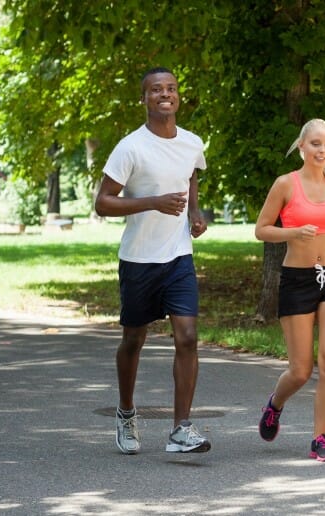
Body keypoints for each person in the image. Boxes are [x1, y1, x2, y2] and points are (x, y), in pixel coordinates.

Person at [95, 67, 211, 455]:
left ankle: (181, 429)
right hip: (139, 259)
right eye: (156, 89)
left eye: (172, 88)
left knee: (189, 337)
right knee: (134, 340)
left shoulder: (192, 142)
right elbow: (103, 202)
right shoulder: (131, 147)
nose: (166, 94)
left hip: (178, 256)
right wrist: (153, 203)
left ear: (179, 96)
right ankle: (126, 412)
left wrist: (194, 212)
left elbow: (191, 176)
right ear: (144, 99)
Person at [254, 118, 325, 462]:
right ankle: (275, 404)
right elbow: (261, 230)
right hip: (297, 280)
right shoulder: (285, 184)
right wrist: (291, 233)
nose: (322, 150)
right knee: (301, 370)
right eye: (315, 143)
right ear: (301, 146)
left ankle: (320, 438)